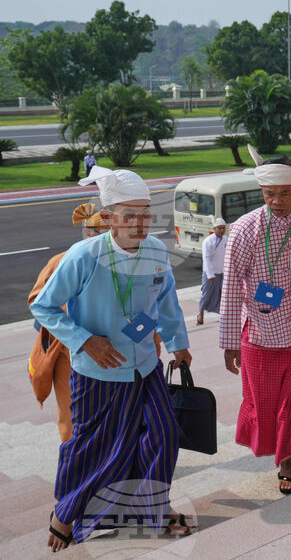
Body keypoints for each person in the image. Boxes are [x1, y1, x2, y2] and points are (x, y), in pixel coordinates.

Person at [30, 166, 192, 552]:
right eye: (129, 214)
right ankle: (64, 516)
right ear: (107, 218)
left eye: (146, 213)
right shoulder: (82, 257)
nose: (139, 223)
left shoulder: (155, 250)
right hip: (97, 373)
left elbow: (166, 302)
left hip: (144, 366)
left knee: (164, 434)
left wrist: (177, 343)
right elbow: (44, 307)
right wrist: (85, 341)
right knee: (94, 448)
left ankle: (155, 505)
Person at [218, 148, 291, 495]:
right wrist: (230, 341)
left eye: (285, 193)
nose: (277, 201)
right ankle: (287, 460)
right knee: (272, 402)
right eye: (269, 194)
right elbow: (230, 285)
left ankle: (284, 445)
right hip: (264, 333)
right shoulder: (245, 228)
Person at [27, 203, 109, 444]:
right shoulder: (63, 261)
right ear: (88, 233)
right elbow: (37, 302)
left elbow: (150, 304)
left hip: (116, 354)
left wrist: (150, 341)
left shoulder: (125, 262)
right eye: (102, 234)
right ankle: (76, 466)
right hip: (70, 356)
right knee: (74, 417)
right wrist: (78, 334)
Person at [196, 218, 227, 325]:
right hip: (210, 273)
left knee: (222, 294)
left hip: (222, 273)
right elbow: (206, 258)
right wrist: (210, 274)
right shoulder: (208, 241)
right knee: (206, 294)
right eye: (219, 228)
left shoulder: (225, 240)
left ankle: (222, 314)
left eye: (223, 228)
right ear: (214, 229)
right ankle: (200, 314)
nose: (222, 231)